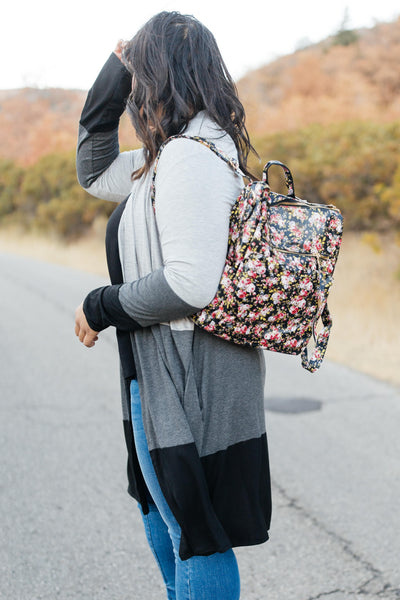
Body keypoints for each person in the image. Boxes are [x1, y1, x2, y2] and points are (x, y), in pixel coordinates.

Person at [75, 11, 271, 600]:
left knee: (197, 532)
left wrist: (101, 304)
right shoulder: (165, 159)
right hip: (161, 370)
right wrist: (113, 68)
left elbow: (191, 284)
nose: (134, 90)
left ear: (161, 74)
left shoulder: (190, 157)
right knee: (168, 519)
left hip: (192, 375)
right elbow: (92, 171)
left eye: (138, 73)